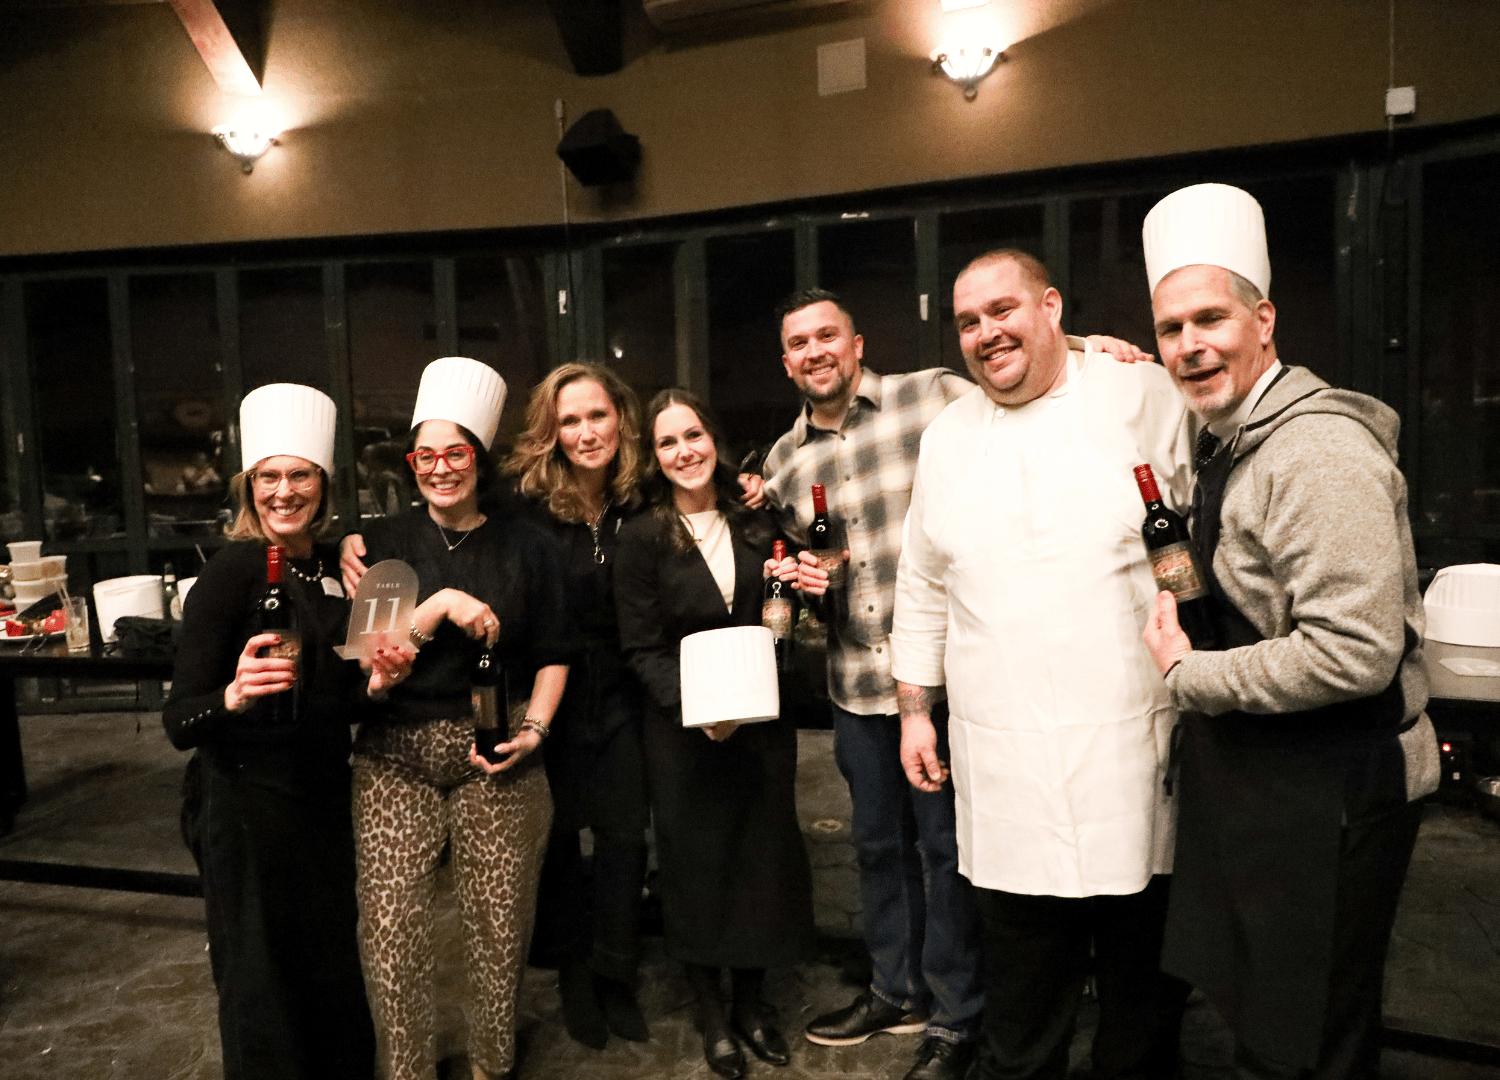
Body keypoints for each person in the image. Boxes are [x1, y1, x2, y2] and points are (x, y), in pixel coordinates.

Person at [765, 288, 1151, 1080]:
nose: (815, 352)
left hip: (937, 686)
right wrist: (801, 581)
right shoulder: (782, 462)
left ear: (857, 340)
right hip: (851, 680)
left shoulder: (934, 396)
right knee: (877, 850)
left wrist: (1083, 343)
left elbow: (1017, 367)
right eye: (798, 343)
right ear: (786, 362)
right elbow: (800, 571)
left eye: (827, 335)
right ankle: (890, 989)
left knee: (948, 854)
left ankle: (955, 1015)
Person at [1139, 183, 1441, 1080]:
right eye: (1169, 331)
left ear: (1263, 320)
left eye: (1209, 320)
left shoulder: (1315, 453)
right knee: (1274, 1020)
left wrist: (1189, 677)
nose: (1190, 347)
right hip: (1272, 779)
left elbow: (1354, 651)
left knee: (1315, 1035)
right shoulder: (1229, 437)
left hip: (1335, 786)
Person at [889, 251, 1192, 1080]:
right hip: (1006, 761)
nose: (987, 334)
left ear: (1051, 306)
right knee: (1023, 996)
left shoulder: (1143, 394)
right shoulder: (948, 437)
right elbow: (921, 581)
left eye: (1003, 310)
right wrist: (916, 708)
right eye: (968, 322)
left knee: (1141, 983)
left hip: (1129, 751)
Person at [162, 382, 405, 1080]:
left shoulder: (331, 567)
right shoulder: (231, 575)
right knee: (262, 989)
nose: (283, 491)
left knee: (328, 973)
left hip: (323, 804)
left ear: (322, 485)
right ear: (249, 486)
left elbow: (341, 698)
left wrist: (378, 685)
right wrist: (233, 696)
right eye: (268, 476)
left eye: (299, 474)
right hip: (246, 811)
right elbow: (181, 721)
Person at [350, 356, 573, 1080]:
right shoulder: (382, 545)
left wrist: (534, 732)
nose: (441, 468)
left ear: (478, 459)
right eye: (426, 455)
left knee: (499, 932)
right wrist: (438, 608)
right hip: (394, 756)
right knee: (388, 933)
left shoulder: (529, 544)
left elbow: (555, 652)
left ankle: (490, 1068)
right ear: (410, 462)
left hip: (497, 750)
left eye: (456, 454)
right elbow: (370, 675)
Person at [614, 388, 815, 1080]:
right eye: (668, 442)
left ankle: (754, 1006)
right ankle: (710, 1012)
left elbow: (789, 607)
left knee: (762, 861)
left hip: (762, 723)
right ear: (654, 455)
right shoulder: (641, 535)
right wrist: (701, 708)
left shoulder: (759, 521)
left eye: (693, 435)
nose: (684, 452)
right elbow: (638, 647)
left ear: (714, 439)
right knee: (695, 865)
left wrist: (798, 591)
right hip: (680, 731)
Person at [503, 363, 651, 1048]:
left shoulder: (645, 499)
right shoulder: (524, 510)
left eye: (597, 415)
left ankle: (616, 970)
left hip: (627, 697)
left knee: (623, 839)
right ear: (550, 432)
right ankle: (573, 975)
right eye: (570, 420)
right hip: (550, 698)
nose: (587, 431)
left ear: (620, 419)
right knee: (559, 844)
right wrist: (358, 543)